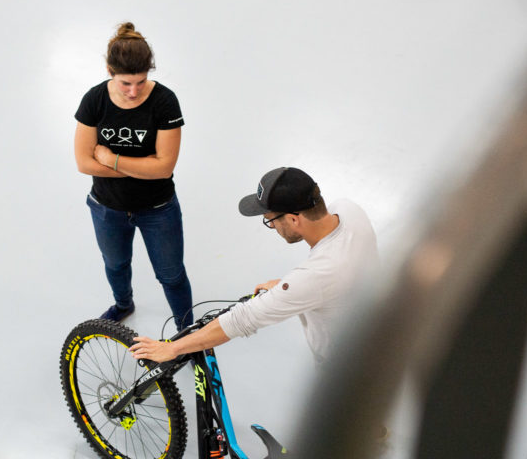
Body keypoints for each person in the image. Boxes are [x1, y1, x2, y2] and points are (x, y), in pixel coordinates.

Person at [129, 166, 378, 364]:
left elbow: (241, 320)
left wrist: (172, 348)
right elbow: (336, 275)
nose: (272, 226)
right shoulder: (348, 210)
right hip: (375, 331)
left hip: (344, 363)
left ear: (293, 219)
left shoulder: (317, 275)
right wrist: (289, 287)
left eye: (269, 220)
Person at [74, 22, 193, 329]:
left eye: (141, 82)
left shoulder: (165, 101)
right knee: (115, 265)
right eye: (126, 83)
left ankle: (187, 332)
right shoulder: (94, 100)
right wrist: (143, 165)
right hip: (106, 207)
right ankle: (124, 305)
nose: (133, 91)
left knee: (171, 274)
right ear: (110, 70)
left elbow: (164, 168)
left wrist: (111, 158)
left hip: (158, 209)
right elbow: (84, 163)